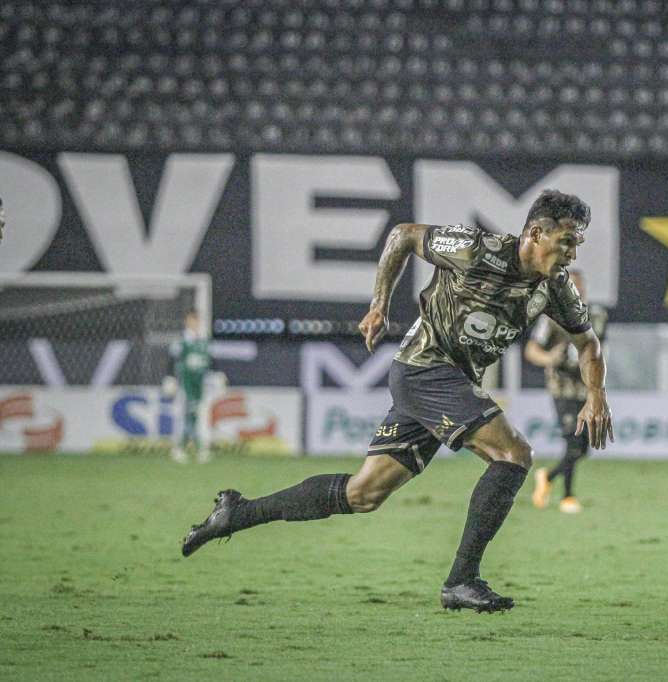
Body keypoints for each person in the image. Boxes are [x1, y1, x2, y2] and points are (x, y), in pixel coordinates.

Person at [181, 190, 614, 613]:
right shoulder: (477, 250)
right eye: (567, 241)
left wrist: (596, 397)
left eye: (577, 243)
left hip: (446, 383)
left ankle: (236, 514)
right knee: (514, 453)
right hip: (425, 369)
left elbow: (588, 344)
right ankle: (462, 580)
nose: (573, 253)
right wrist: (379, 304)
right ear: (536, 233)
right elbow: (404, 234)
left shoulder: (555, 287)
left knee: (363, 493)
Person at [525, 270, 608, 514]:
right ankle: (568, 497)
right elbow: (531, 350)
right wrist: (550, 357)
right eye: (571, 287)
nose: (576, 291)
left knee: (584, 448)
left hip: (587, 387)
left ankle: (548, 477)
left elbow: (598, 350)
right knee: (573, 441)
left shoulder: (597, 315)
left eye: (579, 287)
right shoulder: (550, 318)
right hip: (562, 388)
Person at [165, 310, 213, 463]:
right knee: (182, 416)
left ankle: (202, 449)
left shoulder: (203, 342)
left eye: (197, 321)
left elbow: (209, 362)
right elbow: (172, 360)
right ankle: (178, 448)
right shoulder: (181, 341)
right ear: (187, 321)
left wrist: (216, 375)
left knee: (201, 416)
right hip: (184, 384)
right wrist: (170, 378)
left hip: (200, 385)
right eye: (192, 320)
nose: (195, 324)